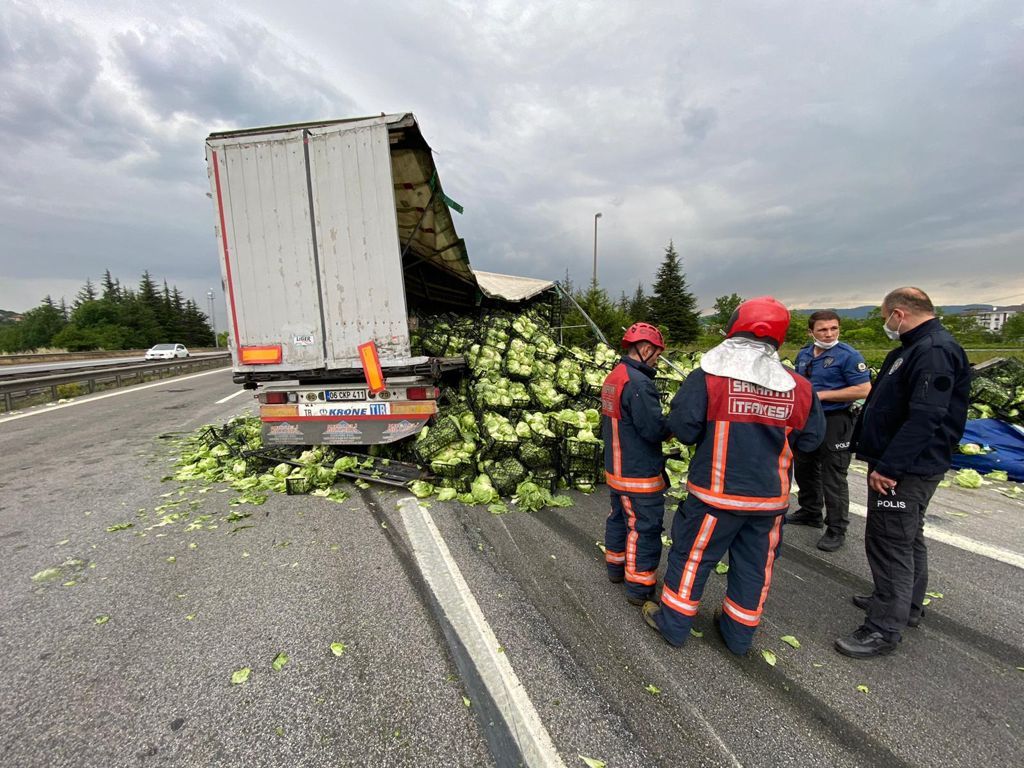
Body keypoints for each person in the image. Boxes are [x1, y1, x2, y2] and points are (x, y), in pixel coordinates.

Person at [643, 297, 825, 653]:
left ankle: (674, 623)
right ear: (778, 339)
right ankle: (737, 634)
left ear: (732, 331)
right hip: (770, 503)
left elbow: (683, 428)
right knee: (755, 567)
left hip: (715, 497)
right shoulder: (800, 388)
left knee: (693, 557)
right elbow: (813, 439)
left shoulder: (708, 379)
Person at [835, 287, 970, 658]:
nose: (885, 324)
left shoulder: (934, 352)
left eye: (884, 317)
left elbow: (927, 415)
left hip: (906, 468)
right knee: (908, 537)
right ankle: (905, 604)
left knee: (890, 541)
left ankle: (882, 629)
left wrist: (891, 467)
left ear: (899, 313)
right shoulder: (914, 348)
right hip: (902, 463)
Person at [787, 311, 872, 552]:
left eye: (833, 329)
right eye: (823, 330)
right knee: (805, 467)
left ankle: (836, 528)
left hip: (834, 419)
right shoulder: (804, 354)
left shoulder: (847, 356)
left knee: (833, 476)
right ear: (811, 332)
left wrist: (821, 395)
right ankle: (810, 510)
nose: (829, 334)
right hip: (807, 419)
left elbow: (863, 389)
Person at [601, 322, 672, 606]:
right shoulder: (639, 383)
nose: (657, 358)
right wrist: (674, 426)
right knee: (645, 527)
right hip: (638, 472)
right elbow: (653, 429)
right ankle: (639, 588)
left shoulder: (614, 376)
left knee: (618, 517)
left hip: (616, 467)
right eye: (656, 353)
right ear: (645, 349)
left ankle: (615, 568)